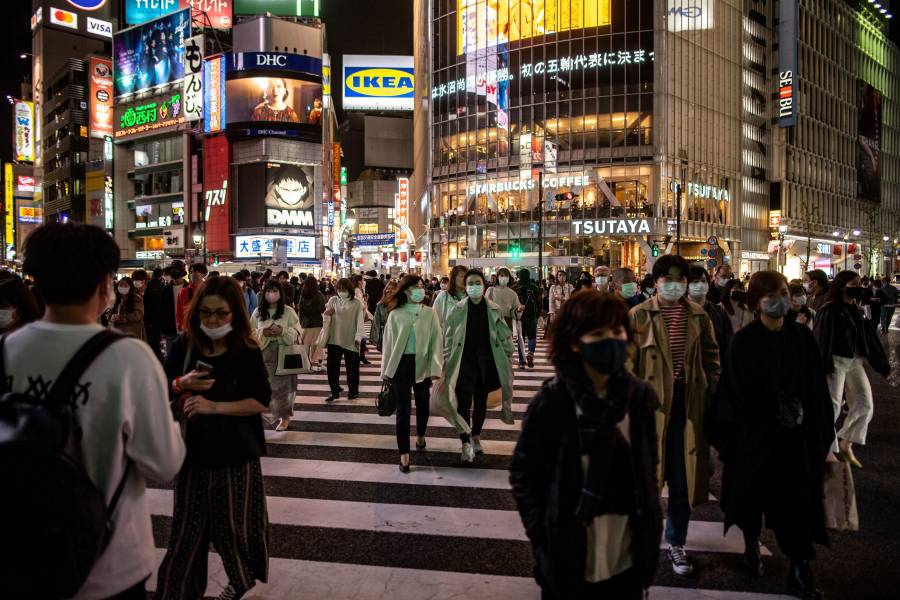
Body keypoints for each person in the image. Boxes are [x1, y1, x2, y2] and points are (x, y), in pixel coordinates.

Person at [4, 223, 185, 599]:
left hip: (19, 551)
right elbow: (163, 463)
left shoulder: (8, 349)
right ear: (106, 283)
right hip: (110, 560)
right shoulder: (129, 357)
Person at [510, 289, 663, 599]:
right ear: (574, 343)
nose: (611, 340)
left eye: (617, 331)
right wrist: (543, 536)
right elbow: (524, 474)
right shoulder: (554, 401)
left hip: (627, 557)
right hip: (570, 555)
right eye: (597, 334)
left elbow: (648, 466)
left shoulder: (638, 398)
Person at [714, 271, 834, 598]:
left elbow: (818, 393)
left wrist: (822, 437)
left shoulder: (802, 338)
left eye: (784, 292)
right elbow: (734, 394)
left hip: (795, 440)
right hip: (756, 439)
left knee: (797, 505)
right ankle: (751, 543)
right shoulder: (745, 341)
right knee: (751, 499)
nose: (780, 300)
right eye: (771, 294)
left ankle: (799, 567)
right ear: (755, 303)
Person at [156, 276, 271, 600]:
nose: (213, 320)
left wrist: (214, 405)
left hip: (236, 455)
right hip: (192, 454)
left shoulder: (245, 349)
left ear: (235, 312)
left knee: (233, 529)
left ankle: (240, 579)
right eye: (206, 313)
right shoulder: (183, 344)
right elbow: (160, 387)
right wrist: (182, 383)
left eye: (221, 313)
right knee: (185, 536)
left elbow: (261, 400)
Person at [629, 254, 720, 577]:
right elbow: (626, 366)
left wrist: (712, 391)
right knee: (647, 483)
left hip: (687, 408)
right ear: (655, 282)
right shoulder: (638, 316)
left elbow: (712, 358)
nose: (675, 285)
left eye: (680, 280)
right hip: (650, 410)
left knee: (682, 483)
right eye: (667, 279)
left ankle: (676, 542)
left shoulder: (699, 316)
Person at [813, 270, 890, 469]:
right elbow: (821, 339)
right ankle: (826, 449)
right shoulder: (829, 310)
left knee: (865, 404)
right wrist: (822, 366)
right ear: (841, 286)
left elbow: (869, 339)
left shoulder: (855, 309)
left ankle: (847, 443)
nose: (860, 287)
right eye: (854, 283)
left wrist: (882, 366)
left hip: (855, 361)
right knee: (832, 406)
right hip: (835, 361)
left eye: (860, 283)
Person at [438, 269, 514, 462]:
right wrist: (446, 361)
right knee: (463, 403)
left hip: (486, 361)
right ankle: (465, 443)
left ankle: (476, 436)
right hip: (463, 362)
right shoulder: (457, 309)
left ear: (484, 285)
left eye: (477, 283)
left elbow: (504, 335)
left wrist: (508, 356)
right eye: (470, 283)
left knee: (481, 402)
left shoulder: (493, 308)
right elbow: (447, 337)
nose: (473, 286)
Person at [380, 276, 443, 473]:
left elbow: (436, 342)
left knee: (423, 405)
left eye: (422, 287)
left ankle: (421, 435)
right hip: (401, 365)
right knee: (403, 411)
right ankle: (404, 454)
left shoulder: (430, 313)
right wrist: (386, 372)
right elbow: (388, 345)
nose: (420, 290)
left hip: (422, 364)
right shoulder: (395, 314)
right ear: (406, 290)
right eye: (416, 287)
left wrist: (435, 368)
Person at [251, 280, 301, 432]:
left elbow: (298, 331)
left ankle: (285, 418)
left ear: (281, 293)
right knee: (265, 387)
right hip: (264, 355)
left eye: (275, 290)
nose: (271, 294)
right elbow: (250, 331)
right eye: (268, 290)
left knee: (284, 389)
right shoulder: (258, 312)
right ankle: (264, 415)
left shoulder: (288, 311)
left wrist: (283, 331)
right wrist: (262, 333)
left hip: (284, 354)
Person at [322, 278, 365, 402]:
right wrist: (326, 314)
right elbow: (325, 317)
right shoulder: (333, 300)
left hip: (351, 340)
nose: (342, 291)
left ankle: (353, 391)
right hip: (334, 339)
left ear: (349, 290)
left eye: (344, 289)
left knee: (352, 368)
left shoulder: (356, 303)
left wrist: (358, 338)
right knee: (332, 367)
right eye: (340, 289)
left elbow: (360, 322)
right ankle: (334, 391)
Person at [687, 267, 733, 360]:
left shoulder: (718, 311)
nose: (700, 285)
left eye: (703, 281)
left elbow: (728, 342)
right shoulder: (679, 312)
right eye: (695, 282)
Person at [297, 275, 327, 372]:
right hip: (317, 322)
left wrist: (301, 321)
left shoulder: (303, 295)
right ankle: (319, 363)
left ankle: (307, 364)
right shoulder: (319, 295)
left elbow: (300, 310)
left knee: (305, 344)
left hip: (306, 323)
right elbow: (323, 309)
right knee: (318, 344)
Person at [515, 268, 541, 369]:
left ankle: (522, 361)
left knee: (521, 339)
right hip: (531, 316)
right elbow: (539, 301)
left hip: (520, 316)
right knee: (532, 337)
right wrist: (538, 313)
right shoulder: (534, 287)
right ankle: (530, 352)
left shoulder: (516, 287)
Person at [161, 262, 186, 355]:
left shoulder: (189, 288)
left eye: (177, 271)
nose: (174, 273)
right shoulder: (165, 289)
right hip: (170, 329)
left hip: (186, 329)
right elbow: (162, 310)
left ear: (182, 273)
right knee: (170, 356)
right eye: (172, 271)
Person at [109, 276, 146, 340]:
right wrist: (111, 316)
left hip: (132, 332)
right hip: (117, 332)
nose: (122, 287)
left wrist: (121, 318)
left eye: (125, 285)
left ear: (130, 287)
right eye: (120, 285)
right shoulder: (115, 298)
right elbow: (109, 311)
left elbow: (138, 314)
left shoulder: (137, 298)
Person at [433, 265, 468, 329]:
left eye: (467, 276)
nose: (465, 279)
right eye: (462, 276)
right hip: (446, 336)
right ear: (454, 278)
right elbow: (434, 319)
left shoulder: (470, 298)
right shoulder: (443, 296)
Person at [176, 262, 207, 334]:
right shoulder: (184, 291)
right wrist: (180, 325)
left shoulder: (209, 290)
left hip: (206, 327)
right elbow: (179, 311)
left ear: (203, 274)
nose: (192, 274)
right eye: (191, 272)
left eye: (195, 272)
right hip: (189, 328)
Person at [142, 268, 165, 360]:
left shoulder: (150, 285)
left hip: (149, 320)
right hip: (156, 319)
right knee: (154, 343)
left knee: (152, 343)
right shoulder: (161, 285)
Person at [370, 279, 398, 352]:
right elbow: (376, 322)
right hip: (385, 335)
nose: (389, 290)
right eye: (387, 288)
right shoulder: (381, 305)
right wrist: (374, 338)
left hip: (398, 335)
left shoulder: (401, 305)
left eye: (392, 289)